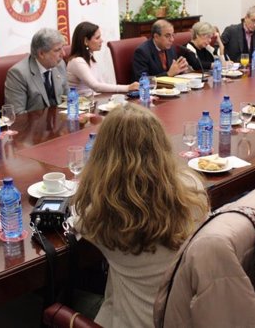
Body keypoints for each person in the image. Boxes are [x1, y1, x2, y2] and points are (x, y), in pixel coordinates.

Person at [72, 104, 209, 327]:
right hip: (187, 318)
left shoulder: (99, 215)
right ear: (161, 145)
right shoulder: (193, 192)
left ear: (102, 155)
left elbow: (77, 221)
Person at [5, 27, 69, 114]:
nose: (63, 54)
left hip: (59, 123)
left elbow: (68, 99)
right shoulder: (18, 74)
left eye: (62, 48)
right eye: (57, 50)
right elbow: (17, 115)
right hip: (33, 126)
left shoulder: (60, 65)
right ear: (41, 54)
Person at [66, 21, 138, 95]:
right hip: (79, 104)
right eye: (97, 38)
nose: (101, 40)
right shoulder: (77, 62)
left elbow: (101, 83)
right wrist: (127, 88)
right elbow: (96, 86)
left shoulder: (90, 58)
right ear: (86, 41)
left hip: (94, 101)